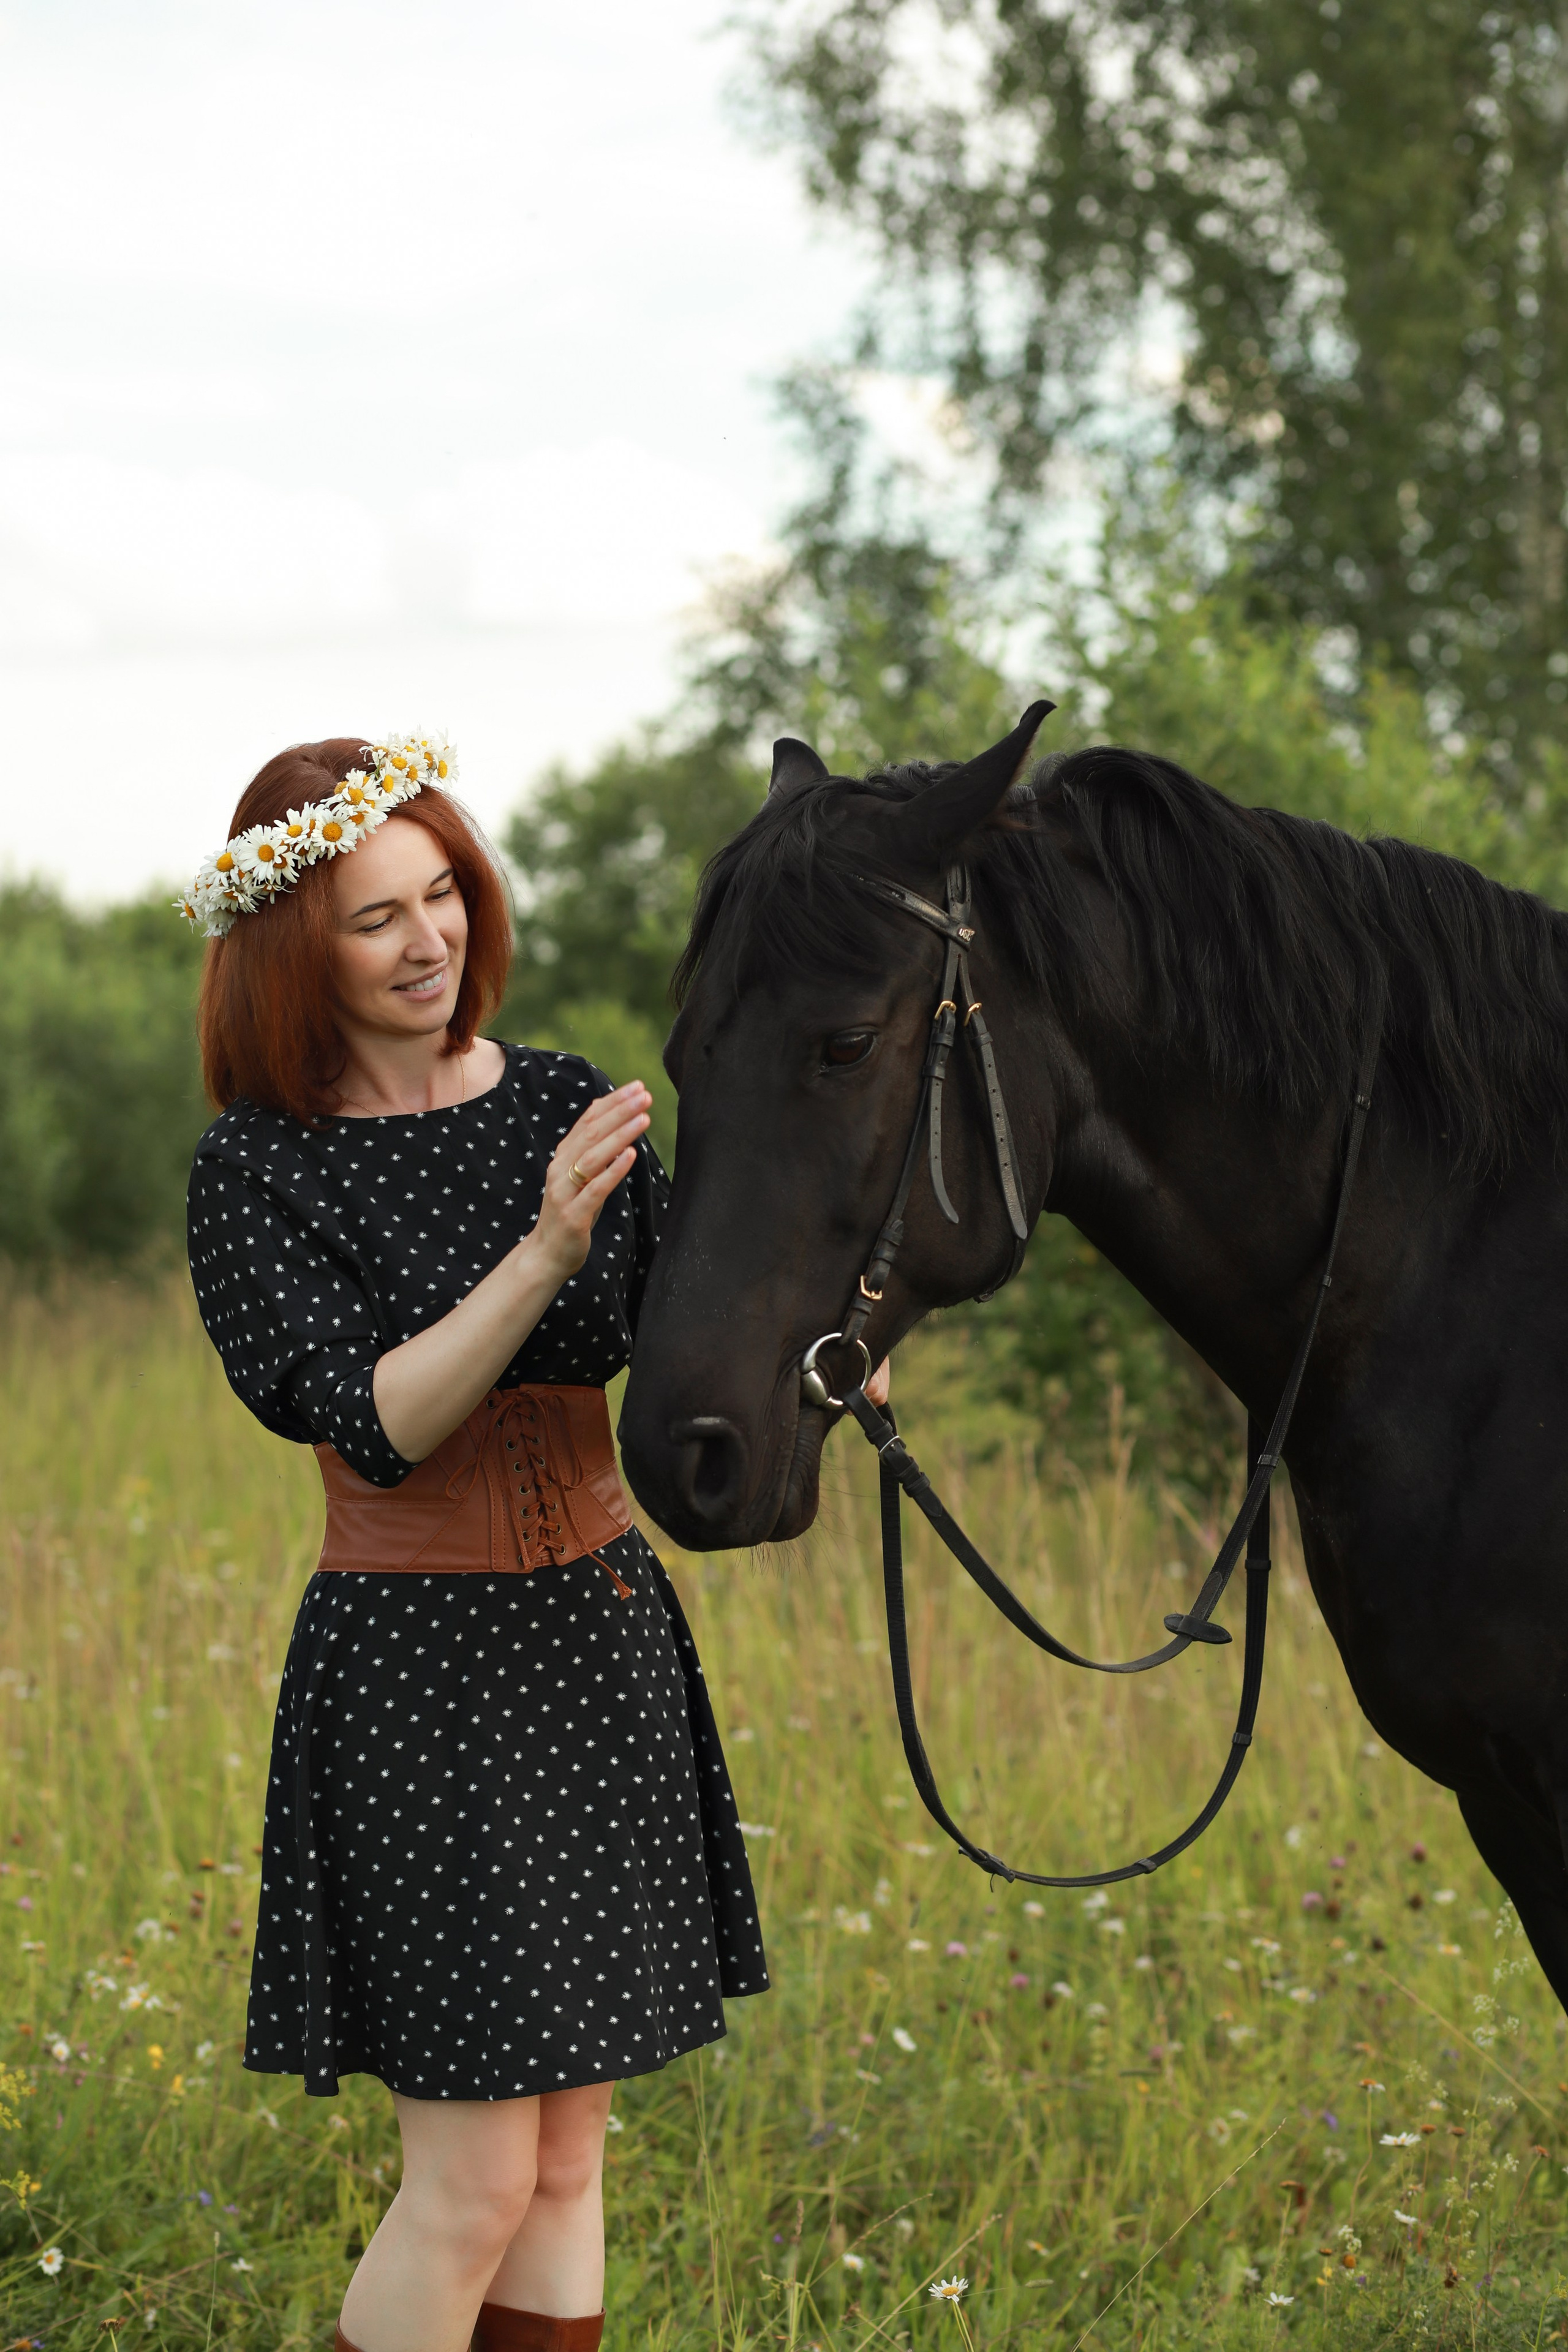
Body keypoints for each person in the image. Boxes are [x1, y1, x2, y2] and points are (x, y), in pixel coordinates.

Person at [181, 734, 769, 2352]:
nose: (431, 939)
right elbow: (379, 1419)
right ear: (293, 946)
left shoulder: (568, 1102)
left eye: (443, 893)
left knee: (570, 2164)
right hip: (419, 1682)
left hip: (594, 1641)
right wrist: (543, 1247)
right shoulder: (258, 1171)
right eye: (377, 917)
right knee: (470, 2186)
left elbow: (695, 1330)